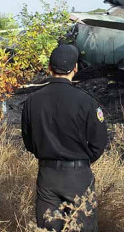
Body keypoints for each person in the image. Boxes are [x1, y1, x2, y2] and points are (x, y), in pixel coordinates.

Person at [21, 44, 108, 232]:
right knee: (82, 227)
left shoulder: (32, 101)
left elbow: (28, 142)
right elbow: (99, 143)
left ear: (49, 68)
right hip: (78, 176)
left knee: (48, 228)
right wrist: (81, 161)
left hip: (47, 175)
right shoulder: (87, 101)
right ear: (75, 68)